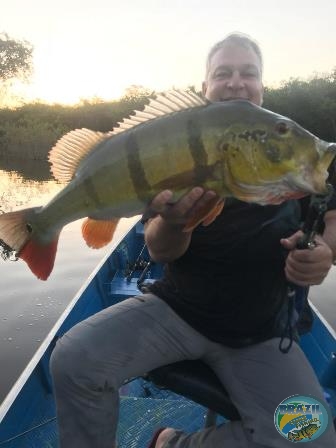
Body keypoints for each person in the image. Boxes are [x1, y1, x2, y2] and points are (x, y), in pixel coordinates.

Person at [50, 33, 336, 447]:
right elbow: (159, 250)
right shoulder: (178, 149)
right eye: (223, 73)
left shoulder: (290, 156)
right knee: (73, 359)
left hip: (263, 332)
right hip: (177, 313)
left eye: (248, 73)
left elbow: (331, 221)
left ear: (261, 88)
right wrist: (176, 222)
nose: (236, 82)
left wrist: (324, 254)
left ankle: (172, 443)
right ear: (205, 87)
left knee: (312, 439)